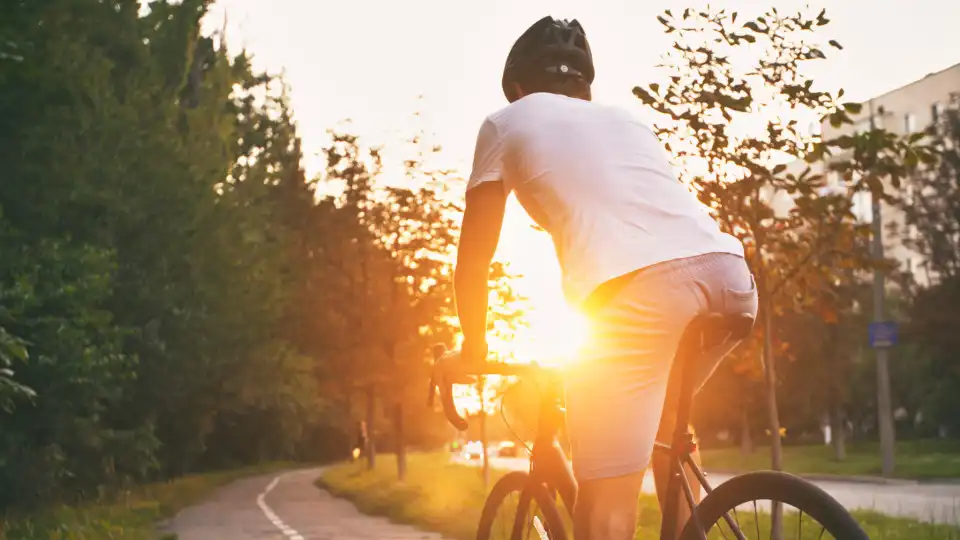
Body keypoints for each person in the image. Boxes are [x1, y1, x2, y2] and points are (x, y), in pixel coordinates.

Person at [443, 15, 759, 540]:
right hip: (729, 276)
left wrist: (472, 347)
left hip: (639, 294)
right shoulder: (627, 122)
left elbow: (473, 260)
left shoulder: (506, 122)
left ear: (517, 87)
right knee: (667, 427)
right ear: (583, 88)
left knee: (604, 509)